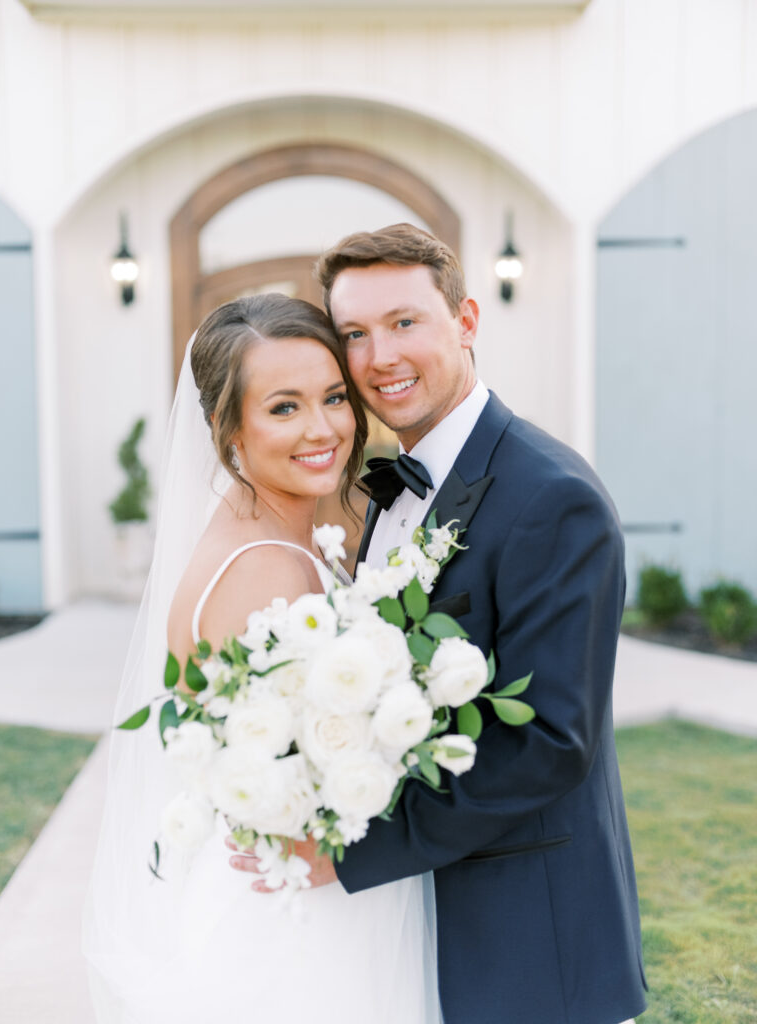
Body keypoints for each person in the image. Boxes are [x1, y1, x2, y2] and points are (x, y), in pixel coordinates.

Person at [232, 224, 647, 1024]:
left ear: (465, 321)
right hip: (422, 927)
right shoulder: (389, 489)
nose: (379, 355)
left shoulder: (552, 498)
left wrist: (350, 854)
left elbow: (550, 744)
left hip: (528, 940)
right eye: (354, 333)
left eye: (403, 322)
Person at [84, 293, 442, 1024]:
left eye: (335, 397)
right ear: (227, 430)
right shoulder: (264, 570)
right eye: (284, 407)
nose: (323, 429)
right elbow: (297, 781)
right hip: (294, 923)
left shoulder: (255, 535)